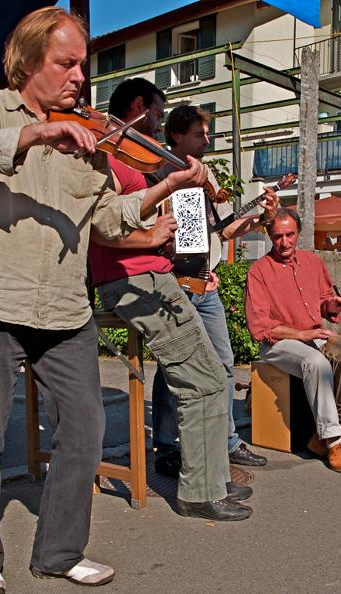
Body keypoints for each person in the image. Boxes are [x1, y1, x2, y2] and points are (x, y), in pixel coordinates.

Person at [0, 9, 210, 593]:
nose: (79, 77)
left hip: (65, 305)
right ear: (30, 60)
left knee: (87, 428)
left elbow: (107, 220)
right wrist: (37, 133)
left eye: (82, 66)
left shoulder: (91, 140)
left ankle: (60, 552)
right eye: (66, 63)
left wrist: (165, 188)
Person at [90, 79, 255, 522]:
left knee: (213, 377)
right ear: (139, 107)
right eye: (159, 118)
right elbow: (101, 227)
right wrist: (156, 230)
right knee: (204, 378)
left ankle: (213, 483)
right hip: (135, 279)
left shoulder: (132, 161)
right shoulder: (107, 154)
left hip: (153, 274)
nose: (159, 132)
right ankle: (198, 492)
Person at [149, 105, 275, 477]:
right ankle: (168, 445)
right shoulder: (165, 177)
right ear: (176, 136)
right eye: (199, 134)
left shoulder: (200, 181)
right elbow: (166, 239)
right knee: (172, 368)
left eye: (207, 134)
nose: (207, 139)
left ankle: (227, 440)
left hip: (205, 285)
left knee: (223, 363)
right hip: (177, 287)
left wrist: (255, 222)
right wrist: (188, 269)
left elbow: (210, 233)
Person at [245, 208, 341, 472]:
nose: (284, 242)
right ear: (270, 236)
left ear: (299, 233)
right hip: (278, 344)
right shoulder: (259, 271)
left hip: (312, 337)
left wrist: (334, 305)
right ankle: (332, 441)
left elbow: (323, 302)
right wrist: (302, 334)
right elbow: (260, 327)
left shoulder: (312, 262)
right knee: (316, 363)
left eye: (289, 235)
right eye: (278, 236)